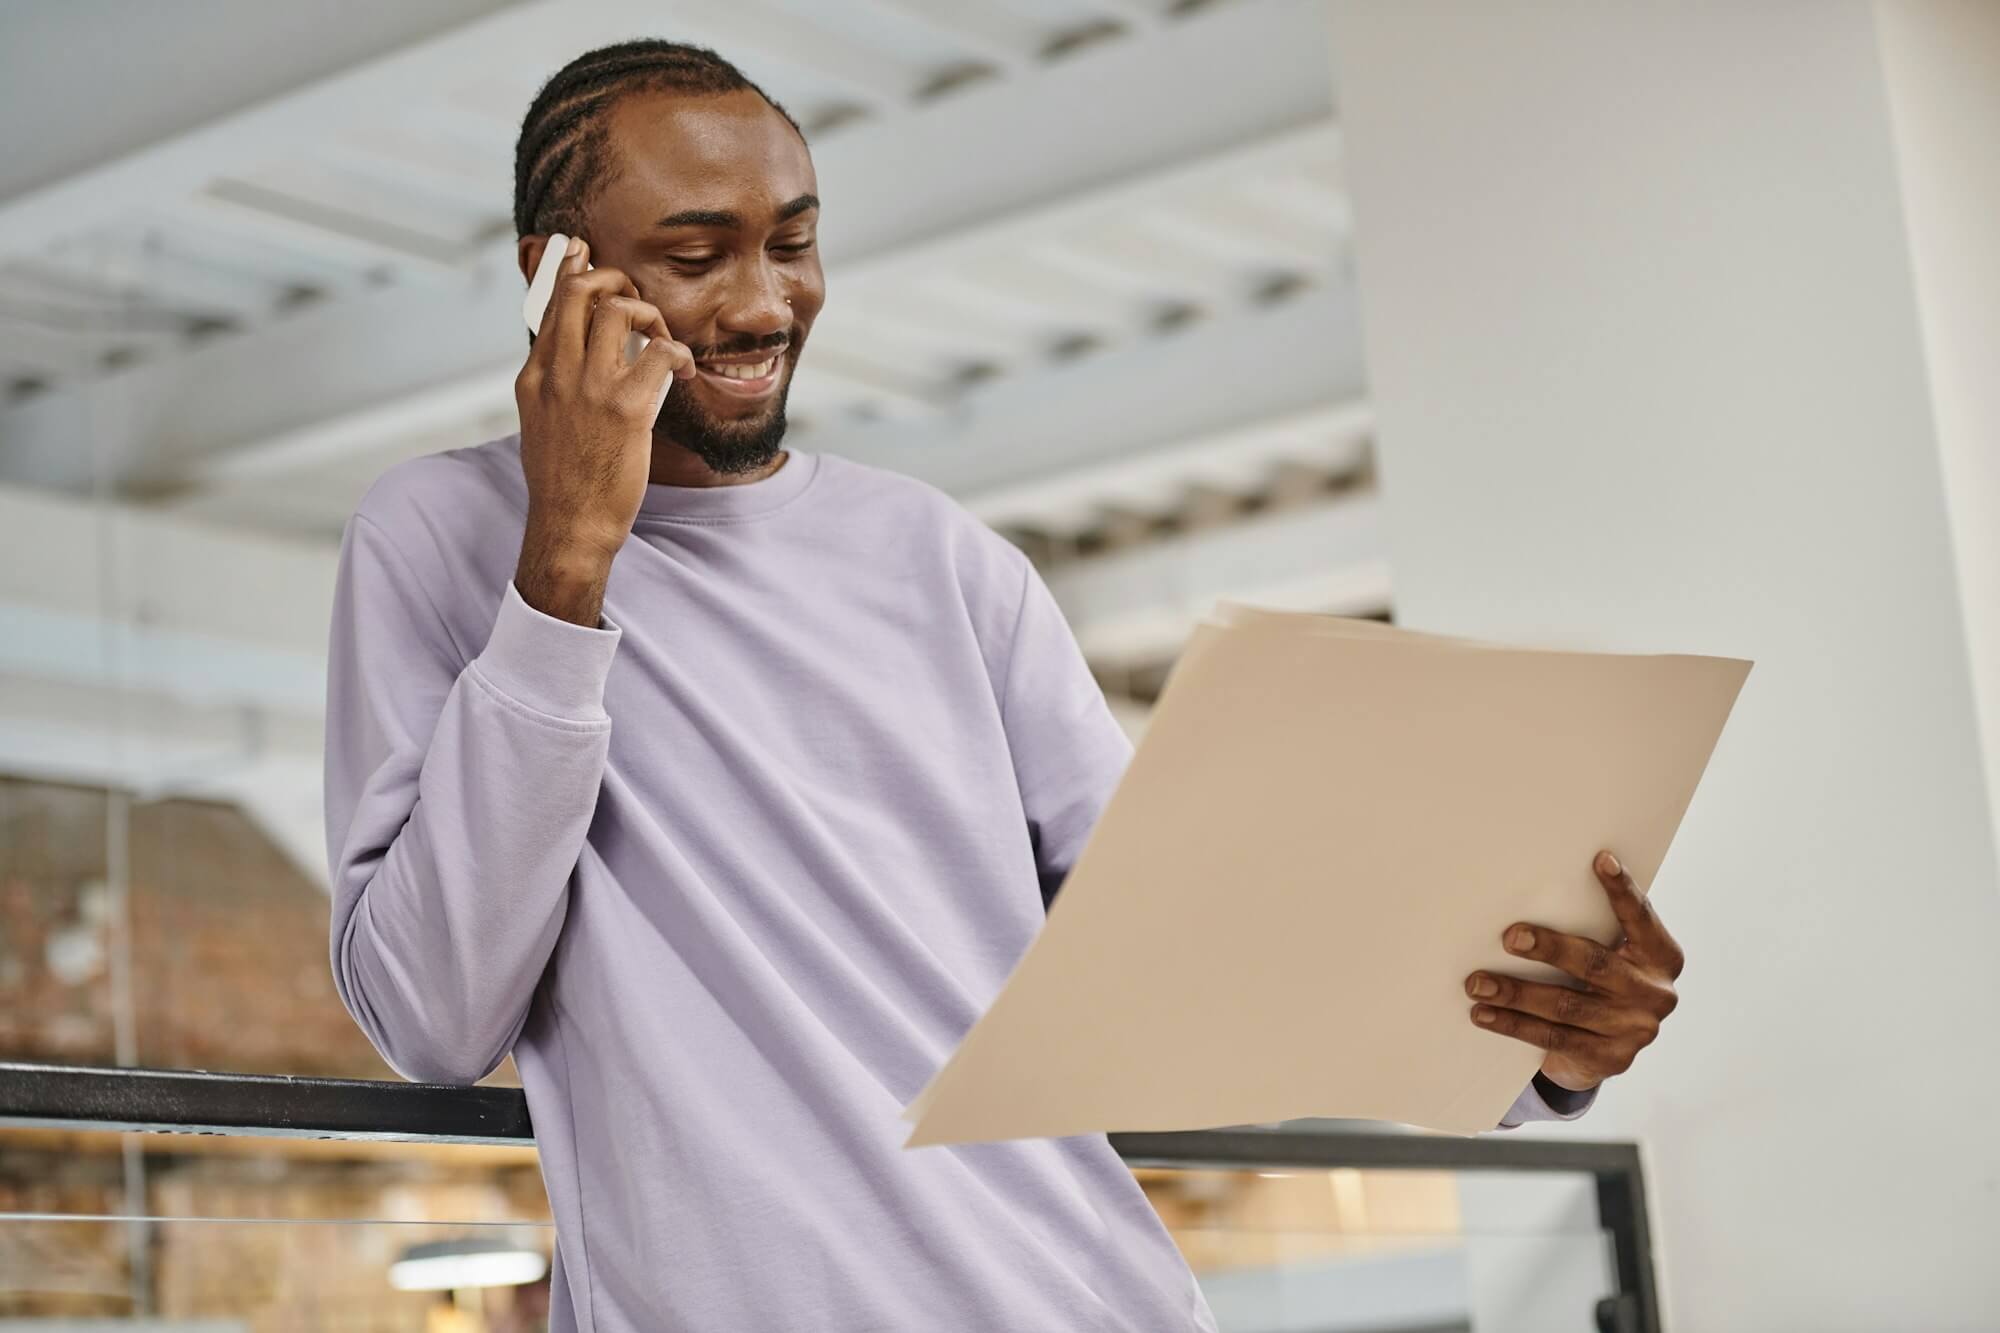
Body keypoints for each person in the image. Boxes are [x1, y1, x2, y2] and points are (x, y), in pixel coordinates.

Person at [323, 39, 1686, 1332]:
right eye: (694, 256)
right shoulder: (439, 540)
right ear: (553, 272)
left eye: (793, 242)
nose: (761, 303)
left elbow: (1187, 936)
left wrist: (1540, 1050)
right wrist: (565, 563)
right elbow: (434, 1012)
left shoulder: (944, 562)